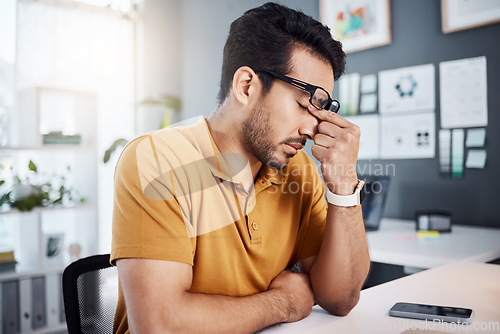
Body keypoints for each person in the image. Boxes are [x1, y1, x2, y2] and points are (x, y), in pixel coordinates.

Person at [111, 2, 370, 333]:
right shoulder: (158, 160)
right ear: (246, 85)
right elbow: (160, 325)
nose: (312, 128)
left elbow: (341, 299)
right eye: (305, 104)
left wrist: (344, 184)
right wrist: (284, 303)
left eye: (322, 111)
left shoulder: (299, 170)